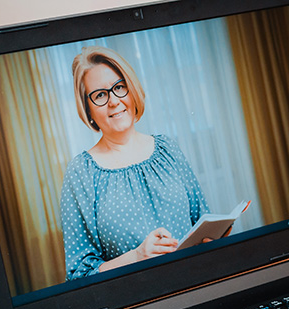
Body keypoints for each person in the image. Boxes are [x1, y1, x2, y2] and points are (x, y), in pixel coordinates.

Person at [59, 46, 210, 278]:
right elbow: (79, 275)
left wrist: (214, 237)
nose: (113, 101)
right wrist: (137, 256)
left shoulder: (167, 148)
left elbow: (203, 220)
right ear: (88, 109)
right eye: (100, 95)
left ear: (132, 90)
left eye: (119, 87)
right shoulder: (81, 173)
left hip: (197, 283)